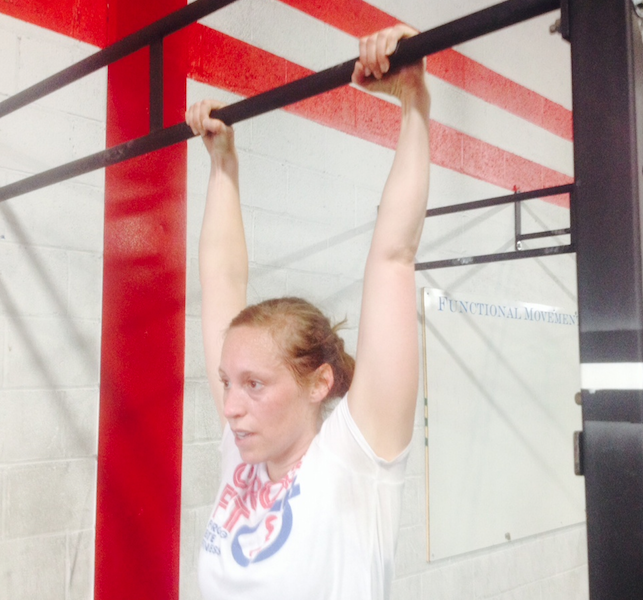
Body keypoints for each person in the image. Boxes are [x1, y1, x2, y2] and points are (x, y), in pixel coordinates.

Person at [186, 24, 430, 600]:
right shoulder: (244, 451)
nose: (230, 405)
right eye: (228, 382)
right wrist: (222, 163)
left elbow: (393, 257)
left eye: (253, 384)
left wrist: (414, 102)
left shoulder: (354, 461)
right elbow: (220, 278)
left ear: (319, 383)